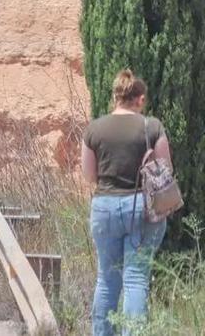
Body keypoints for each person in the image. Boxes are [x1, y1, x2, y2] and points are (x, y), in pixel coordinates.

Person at [81, 69, 170, 335]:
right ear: (140, 99)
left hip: (104, 207)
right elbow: (165, 170)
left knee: (106, 280)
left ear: (115, 97)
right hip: (142, 208)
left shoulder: (94, 129)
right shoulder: (152, 126)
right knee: (135, 279)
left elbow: (89, 176)